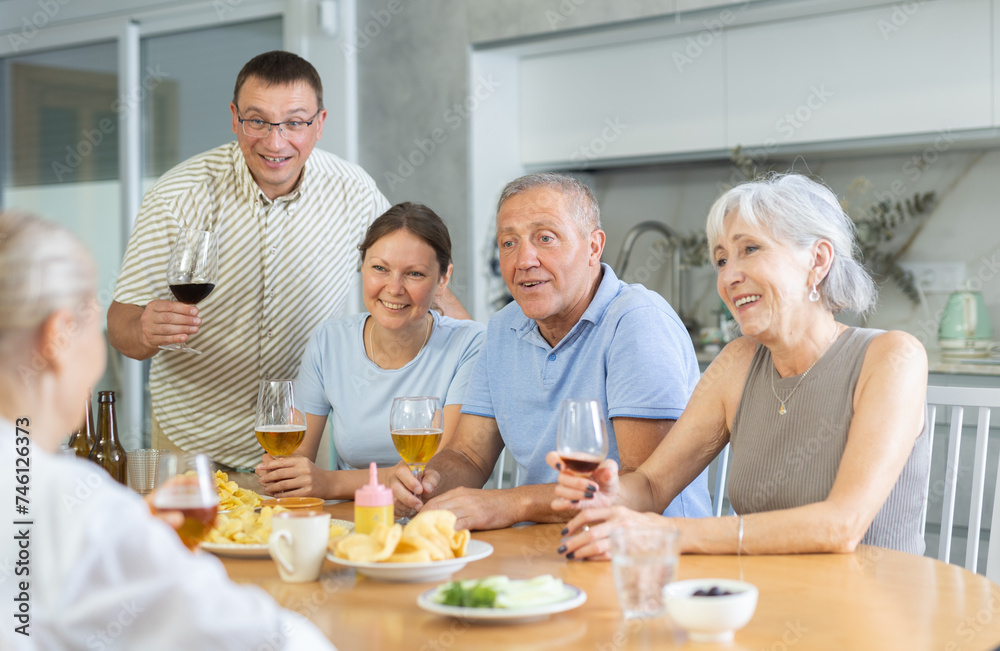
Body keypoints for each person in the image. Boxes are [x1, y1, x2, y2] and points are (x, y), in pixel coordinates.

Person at [107, 50, 468, 470]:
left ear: (319, 124)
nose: (275, 142)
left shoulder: (352, 191)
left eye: (295, 122)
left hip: (302, 437)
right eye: (257, 121)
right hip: (194, 439)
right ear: (234, 118)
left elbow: (413, 269)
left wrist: (476, 347)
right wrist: (146, 329)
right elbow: (121, 324)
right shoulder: (177, 196)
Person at [551, 173, 931, 559]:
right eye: (721, 259)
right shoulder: (737, 362)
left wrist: (667, 533)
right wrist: (611, 493)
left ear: (817, 260)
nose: (729, 276)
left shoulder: (893, 358)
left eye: (750, 249)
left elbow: (840, 525)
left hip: (875, 606)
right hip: (762, 599)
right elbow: (651, 484)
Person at [0, 212, 334, 650]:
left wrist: (139, 541)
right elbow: (267, 641)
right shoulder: (77, 509)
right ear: (58, 335)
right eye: (93, 319)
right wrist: (144, 548)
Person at [391, 172, 712, 531]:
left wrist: (512, 503)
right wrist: (428, 482)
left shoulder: (637, 322)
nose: (524, 260)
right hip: (549, 547)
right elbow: (469, 454)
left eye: (546, 238)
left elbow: (641, 484)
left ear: (593, 247)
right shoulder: (503, 328)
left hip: (646, 553)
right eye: (508, 243)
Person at [255, 203, 485, 498]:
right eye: (380, 268)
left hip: (436, 523)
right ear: (362, 266)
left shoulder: (471, 344)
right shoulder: (330, 340)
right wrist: (288, 474)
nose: (394, 288)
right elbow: (298, 456)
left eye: (414, 274)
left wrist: (330, 483)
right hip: (350, 519)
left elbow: (436, 473)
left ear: (443, 278)